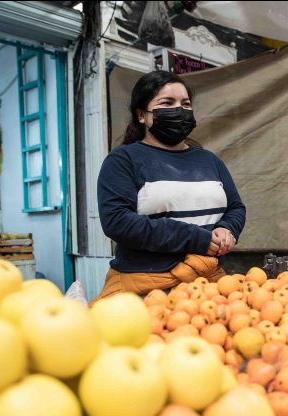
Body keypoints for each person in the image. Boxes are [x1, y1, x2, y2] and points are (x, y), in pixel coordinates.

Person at [92, 70, 245, 303]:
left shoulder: (209, 160)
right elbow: (117, 221)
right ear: (142, 115)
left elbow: (235, 207)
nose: (179, 110)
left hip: (209, 282)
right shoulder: (123, 160)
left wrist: (227, 228)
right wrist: (196, 238)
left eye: (185, 104)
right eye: (167, 102)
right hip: (146, 286)